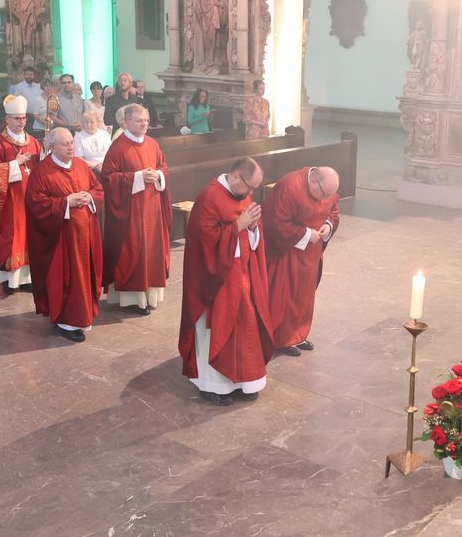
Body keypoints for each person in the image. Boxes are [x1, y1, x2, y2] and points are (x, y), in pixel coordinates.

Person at [178, 157, 274, 406]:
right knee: (218, 329)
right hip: (213, 281)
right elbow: (204, 243)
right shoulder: (209, 197)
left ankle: (243, 380)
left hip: (241, 275)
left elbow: (250, 232)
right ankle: (213, 386)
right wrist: (238, 227)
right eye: (249, 187)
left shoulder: (242, 194)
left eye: (255, 188)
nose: (251, 193)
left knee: (246, 325)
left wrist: (252, 228)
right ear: (234, 176)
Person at [25, 127, 105, 342]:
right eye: (65, 144)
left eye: (71, 142)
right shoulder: (42, 172)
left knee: (84, 277)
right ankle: (66, 321)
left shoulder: (80, 164)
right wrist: (65, 203)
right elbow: (35, 205)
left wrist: (89, 197)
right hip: (61, 239)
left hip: (85, 234)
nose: (71, 146)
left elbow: (98, 189)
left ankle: (83, 314)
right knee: (68, 278)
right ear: (51, 147)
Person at [100, 103, 171, 315]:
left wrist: (158, 175)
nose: (144, 125)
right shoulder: (118, 146)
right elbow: (108, 178)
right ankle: (132, 299)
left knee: (151, 249)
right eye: (140, 121)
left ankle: (149, 294)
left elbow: (163, 168)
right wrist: (139, 177)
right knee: (133, 251)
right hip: (130, 212)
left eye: (147, 121)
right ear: (126, 122)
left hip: (152, 208)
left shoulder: (152, 144)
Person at [263, 167, 340, 356]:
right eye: (323, 194)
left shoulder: (326, 188)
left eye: (329, 194)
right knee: (286, 295)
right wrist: (306, 234)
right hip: (288, 252)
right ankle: (281, 339)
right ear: (314, 181)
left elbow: (334, 211)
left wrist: (328, 226)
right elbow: (275, 222)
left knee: (304, 296)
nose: (324, 199)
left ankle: (299, 335)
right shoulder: (289, 187)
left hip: (311, 253)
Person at [0, 94, 42, 295]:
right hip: (9, 199)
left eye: (24, 118)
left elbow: (40, 169)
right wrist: (15, 164)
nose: (21, 122)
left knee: (29, 236)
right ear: (7, 119)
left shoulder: (33, 141)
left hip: (30, 197)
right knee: (12, 236)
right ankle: (10, 280)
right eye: (16, 118)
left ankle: (26, 279)